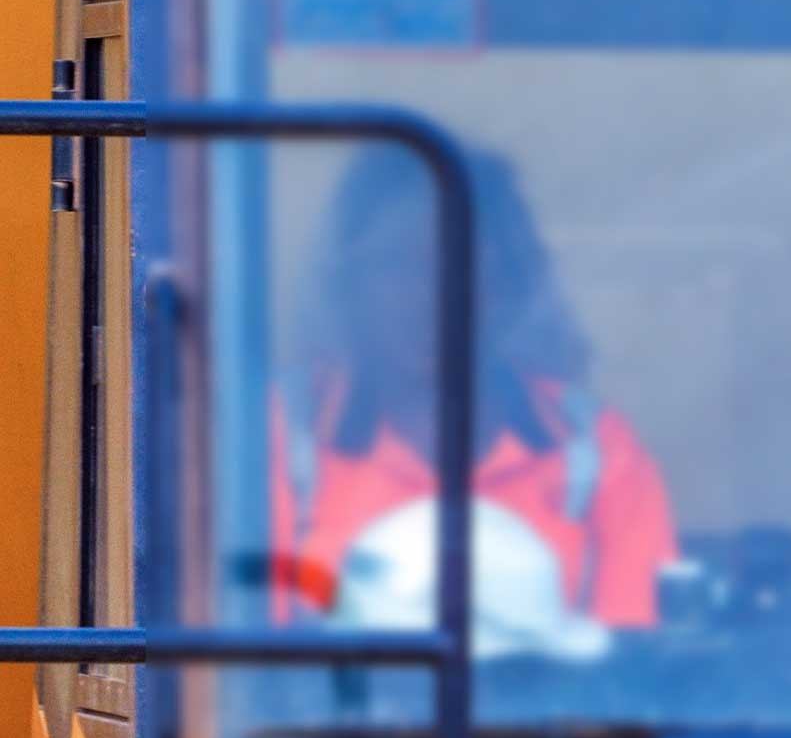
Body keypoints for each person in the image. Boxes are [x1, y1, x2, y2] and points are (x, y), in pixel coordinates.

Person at [271, 145, 677, 635]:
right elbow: (247, 673)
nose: (430, 292)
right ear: (349, 285)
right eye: (398, 264)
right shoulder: (278, 437)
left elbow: (634, 666)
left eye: (460, 260)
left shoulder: (593, 448)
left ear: (510, 287)